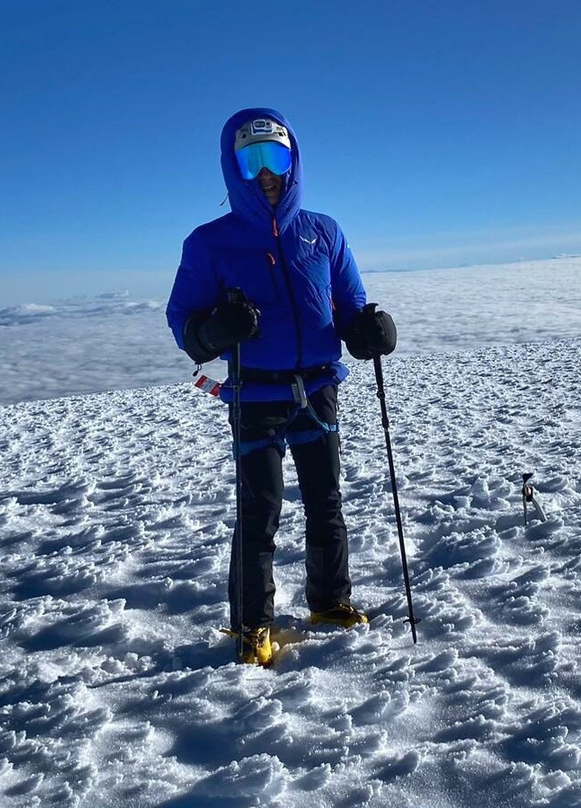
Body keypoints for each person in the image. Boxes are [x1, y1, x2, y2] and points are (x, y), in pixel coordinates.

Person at [166, 108, 397, 666]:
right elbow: (184, 325)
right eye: (252, 160)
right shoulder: (208, 243)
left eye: (277, 157)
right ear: (233, 167)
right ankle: (252, 626)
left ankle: (330, 603)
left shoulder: (323, 231)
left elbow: (348, 308)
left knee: (326, 503)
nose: (266, 172)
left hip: (318, 391)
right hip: (255, 396)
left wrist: (368, 332)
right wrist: (214, 332)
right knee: (259, 513)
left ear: (294, 163)